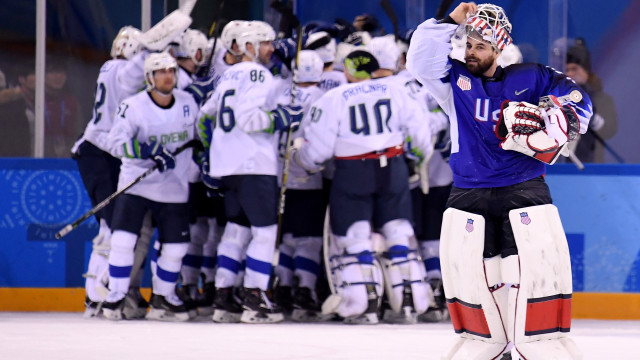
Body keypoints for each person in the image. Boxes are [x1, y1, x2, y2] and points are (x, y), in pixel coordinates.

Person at [406, 3, 591, 359]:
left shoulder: (531, 77)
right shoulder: (453, 82)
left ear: (499, 47)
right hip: (468, 192)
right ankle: (497, 345)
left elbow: (577, 98)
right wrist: (451, 21)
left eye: (480, 46)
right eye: (468, 44)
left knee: (531, 278)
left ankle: (526, 344)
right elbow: (419, 59)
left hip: (523, 189)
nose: (471, 52)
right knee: (478, 282)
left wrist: (562, 115)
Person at [291, 49, 434, 324]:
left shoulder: (333, 98)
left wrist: (301, 159)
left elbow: (317, 151)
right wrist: (416, 159)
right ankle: (410, 303)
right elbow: (420, 134)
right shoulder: (397, 91)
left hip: (353, 170)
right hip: (393, 166)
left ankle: (361, 304)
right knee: (399, 233)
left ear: (347, 71)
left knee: (355, 238)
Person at [197, 20, 302, 324]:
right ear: (248, 47)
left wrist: (213, 152)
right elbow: (250, 119)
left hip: (228, 166)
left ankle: (223, 296)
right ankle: (255, 297)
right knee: (265, 231)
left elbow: (204, 120)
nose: (271, 48)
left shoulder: (228, 75)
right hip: (254, 165)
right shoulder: (258, 73)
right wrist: (283, 116)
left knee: (237, 229)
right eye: (265, 43)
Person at [101, 52, 197, 322]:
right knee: (123, 241)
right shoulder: (133, 106)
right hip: (136, 185)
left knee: (177, 247)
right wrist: (147, 150)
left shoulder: (188, 103)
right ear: (149, 77)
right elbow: (115, 143)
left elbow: (198, 136)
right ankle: (116, 295)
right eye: (161, 71)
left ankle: (164, 297)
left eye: (171, 70)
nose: (168, 76)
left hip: (174, 187)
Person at [71, 25, 147, 318]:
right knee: (111, 227)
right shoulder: (120, 70)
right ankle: (95, 296)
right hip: (101, 151)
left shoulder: (109, 67)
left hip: (102, 151)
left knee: (114, 226)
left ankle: (103, 293)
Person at [271, 50, 327, 321]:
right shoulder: (321, 98)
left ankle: (282, 285)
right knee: (309, 239)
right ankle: (304, 288)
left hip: (278, 176)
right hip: (308, 176)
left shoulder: (281, 93)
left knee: (286, 237)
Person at [565, 39, 618, 163]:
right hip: (563, 166)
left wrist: (593, 120)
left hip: (592, 166)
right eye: (567, 70)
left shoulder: (602, 100)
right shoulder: (558, 97)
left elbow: (610, 131)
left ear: (586, 70)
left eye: (574, 69)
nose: (570, 74)